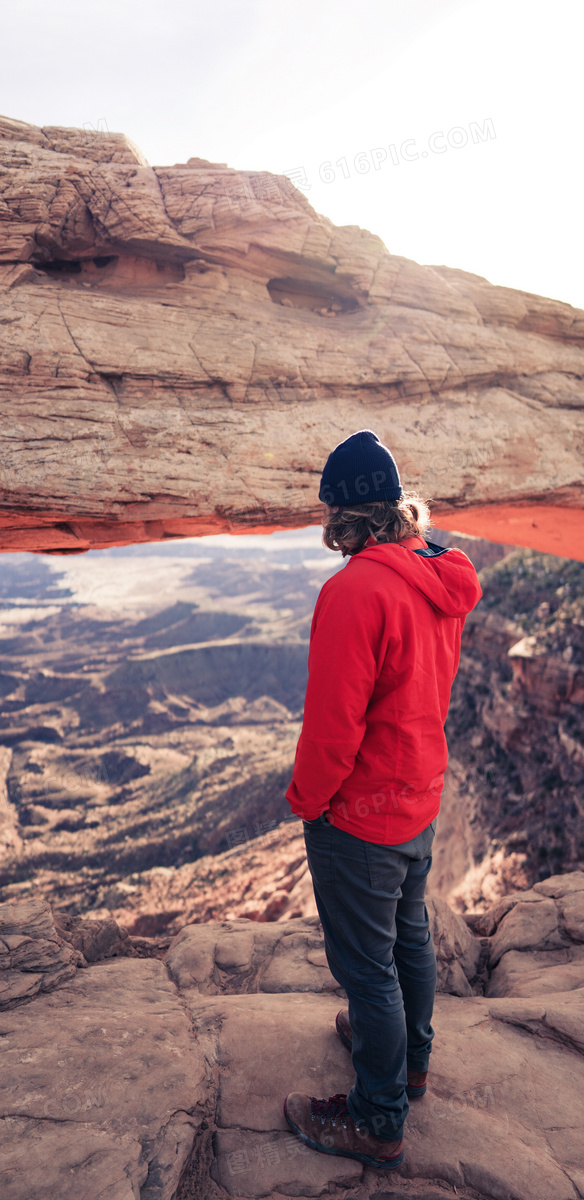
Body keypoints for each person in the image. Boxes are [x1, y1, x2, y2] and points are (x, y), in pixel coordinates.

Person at [282, 429, 483, 1170]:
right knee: (407, 940)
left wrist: (308, 800)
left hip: (361, 813)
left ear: (344, 516)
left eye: (329, 514)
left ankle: (377, 1118)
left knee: (367, 967)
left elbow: (334, 726)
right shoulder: (439, 572)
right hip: (420, 792)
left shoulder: (354, 590)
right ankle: (411, 1062)